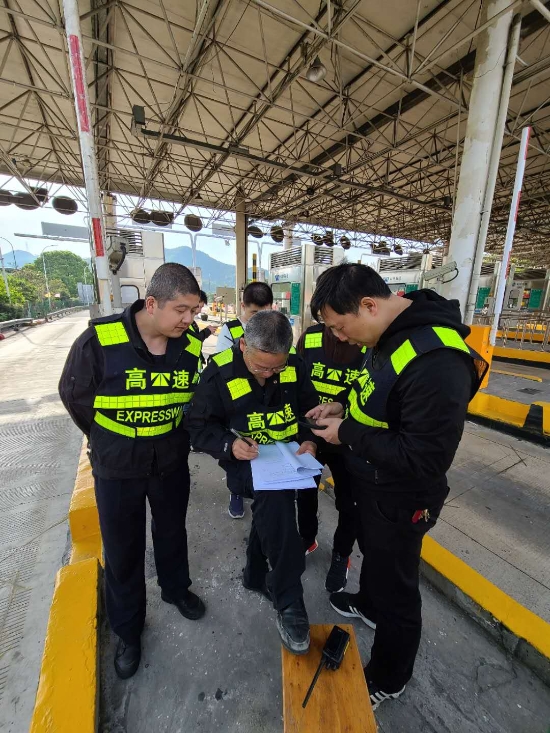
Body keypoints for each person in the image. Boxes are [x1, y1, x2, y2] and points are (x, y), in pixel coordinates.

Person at [306, 264, 487, 710]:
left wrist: (346, 433)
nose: (340, 338)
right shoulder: (390, 335)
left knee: (397, 588)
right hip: (373, 482)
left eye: (340, 327)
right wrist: (341, 405)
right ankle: (369, 604)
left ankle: (390, 675)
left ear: (369, 305)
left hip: (402, 496)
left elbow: (425, 459)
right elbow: (375, 390)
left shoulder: (437, 360)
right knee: (377, 561)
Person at [59, 263, 207, 680]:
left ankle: (175, 589)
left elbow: (192, 397)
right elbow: (74, 395)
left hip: (170, 461)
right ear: (152, 303)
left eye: (194, 310)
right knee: (123, 549)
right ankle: (128, 629)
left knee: (172, 532)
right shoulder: (100, 340)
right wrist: (109, 438)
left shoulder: (189, 345)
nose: (188, 319)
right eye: (181, 310)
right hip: (117, 466)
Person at [185, 310, 321, 655]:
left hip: (289, 459)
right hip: (244, 462)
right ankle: (290, 600)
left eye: (276, 368)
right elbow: (198, 428)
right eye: (261, 367)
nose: (269, 374)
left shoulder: (295, 366)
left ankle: (255, 576)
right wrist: (229, 446)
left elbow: (310, 412)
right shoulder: (219, 373)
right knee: (277, 509)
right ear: (244, 345)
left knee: (271, 512)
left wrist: (310, 441)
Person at [296, 322, 365, 589]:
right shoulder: (310, 337)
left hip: (348, 438)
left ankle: (341, 554)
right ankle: (307, 538)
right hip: (311, 431)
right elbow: (296, 382)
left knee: (350, 503)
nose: (340, 333)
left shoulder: (367, 341)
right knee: (305, 492)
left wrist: (346, 422)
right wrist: (306, 434)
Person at [214, 281, 274, 519]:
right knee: (238, 448)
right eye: (253, 313)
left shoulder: (275, 328)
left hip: (265, 399)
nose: (258, 319)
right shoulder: (230, 330)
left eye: (264, 313)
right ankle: (236, 492)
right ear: (242, 306)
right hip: (236, 398)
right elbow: (221, 363)